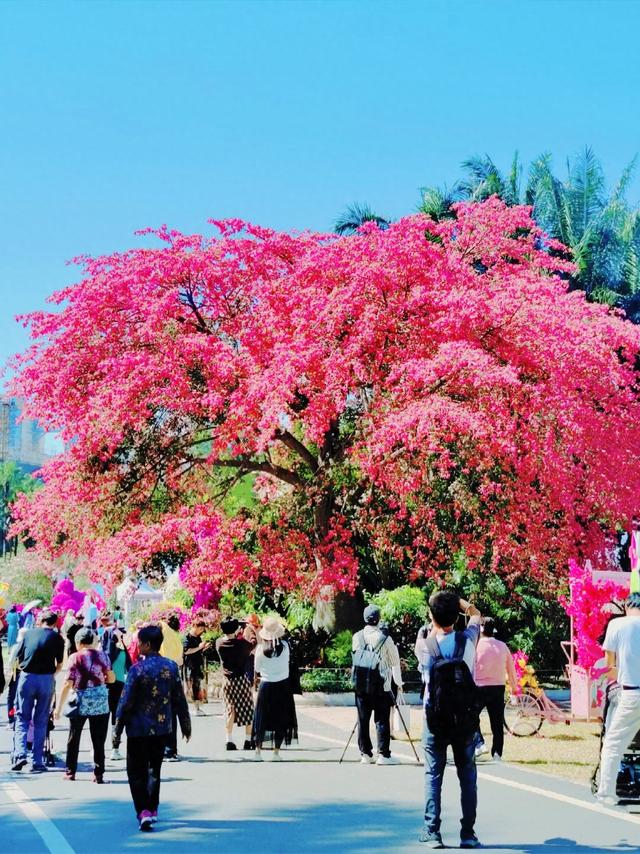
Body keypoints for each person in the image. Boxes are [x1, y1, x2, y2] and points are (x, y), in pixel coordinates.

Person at [416, 591, 481, 850]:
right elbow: (476, 615)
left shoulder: (424, 646)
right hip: (463, 720)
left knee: (433, 775)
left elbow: (428, 631)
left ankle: (432, 831)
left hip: (434, 720)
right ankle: (468, 834)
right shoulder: (468, 640)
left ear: (431, 616)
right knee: (467, 777)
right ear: (456, 616)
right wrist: (461, 603)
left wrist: (435, 611)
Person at [114, 624, 191, 832]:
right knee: (154, 769)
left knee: (135, 771)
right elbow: (179, 698)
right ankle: (152, 807)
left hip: (137, 729)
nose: (137, 645)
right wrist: (186, 724)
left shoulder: (137, 669)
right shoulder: (171, 667)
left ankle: (143, 811)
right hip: (162, 728)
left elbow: (125, 702)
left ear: (148, 644)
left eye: (139, 642)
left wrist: (117, 730)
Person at [596, 591, 640, 806]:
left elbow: (609, 667)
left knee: (613, 743)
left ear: (625, 607)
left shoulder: (617, 625)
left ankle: (606, 793)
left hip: (632, 693)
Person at [56, 628, 114, 782]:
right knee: (99, 740)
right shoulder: (103, 656)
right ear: (92, 641)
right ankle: (98, 774)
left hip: (80, 702)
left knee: (74, 738)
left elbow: (68, 683)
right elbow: (112, 678)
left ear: (78, 642)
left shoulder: (75, 657)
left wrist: (58, 708)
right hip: (100, 703)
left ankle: (70, 772)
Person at [12, 610, 65, 773]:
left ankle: (20, 754)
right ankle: (37, 761)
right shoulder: (58, 638)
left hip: (27, 677)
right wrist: (51, 676)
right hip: (46, 679)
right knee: (41, 720)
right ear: (55, 623)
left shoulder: (28, 634)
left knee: (22, 717)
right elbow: (60, 664)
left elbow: (18, 657)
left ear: (41, 621)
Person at [352, 604, 403, 765]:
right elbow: (394, 661)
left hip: (361, 685)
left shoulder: (357, 637)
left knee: (362, 719)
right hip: (382, 685)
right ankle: (383, 755)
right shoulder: (385, 638)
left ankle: (365, 754)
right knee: (381, 719)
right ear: (379, 619)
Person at [252, 617, 298, 761]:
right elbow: (287, 662)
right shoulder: (285, 646)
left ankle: (258, 752)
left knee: (261, 718)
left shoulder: (260, 648)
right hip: (283, 685)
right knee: (281, 718)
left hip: (266, 685)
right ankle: (276, 753)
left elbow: (257, 668)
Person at [474, 618, 518, 761]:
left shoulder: (475, 645)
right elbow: (511, 670)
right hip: (498, 687)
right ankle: (497, 753)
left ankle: (479, 743)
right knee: (497, 722)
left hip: (479, 687)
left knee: (470, 717)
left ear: (480, 629)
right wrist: (514, 688)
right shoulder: (502, 646)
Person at [215, 617, 256, 751]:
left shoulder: (219, 643)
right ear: (236, 629)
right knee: (247, 708)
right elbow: (253, 643)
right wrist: (251, 630)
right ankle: (248, 740)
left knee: (230, 709)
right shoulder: (242, 644)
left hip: (227, 680)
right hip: (241, 679)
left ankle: (229, 739)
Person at [104, 625, 132, 761]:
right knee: (111, 719)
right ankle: (109, 748)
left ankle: (110, 748)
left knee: (111, 719)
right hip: (113, 686)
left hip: (113, 686)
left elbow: (129, 667)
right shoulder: (114, 651)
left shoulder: (116, 650)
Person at [159, 615, 184, 760]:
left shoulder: (163, 635)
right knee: (172, 715)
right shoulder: (175, 638)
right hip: (174, 677)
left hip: (161, 679)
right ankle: (171, 749)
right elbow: (180, 661)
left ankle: (165, 749)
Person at [183, 619, 209, 715]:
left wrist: (203, 648)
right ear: (195, 626)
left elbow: (198, 650)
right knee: (191, 686)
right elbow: (186, 651)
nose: (201, 631)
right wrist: (199, 647)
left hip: (197, 665)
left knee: (197, 686)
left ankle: (197, 708)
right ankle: (191, 708)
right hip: (190, 665)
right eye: (200, 629)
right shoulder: (187, 637)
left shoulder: (198, 637)